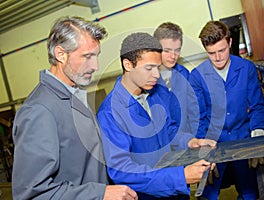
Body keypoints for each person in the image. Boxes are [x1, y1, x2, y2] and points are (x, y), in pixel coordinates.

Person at [12, 16, 137, 200]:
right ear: (60, 54)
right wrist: (100, 194)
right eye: (87, 57)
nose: (95, 66)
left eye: (96, 56)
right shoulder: (39, 110)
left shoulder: (73, 95)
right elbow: (30, 194)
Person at [96, 32, 216, 199]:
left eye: (157, 67)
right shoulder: (110, 113)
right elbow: (122, 169)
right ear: (128, 65)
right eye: (149, 68)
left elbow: (168, 131)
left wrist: (189, 141)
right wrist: (180, 177)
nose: (157, 75)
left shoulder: (154, 94)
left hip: (174, 191)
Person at [189, 20, 264, 200]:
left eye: (222, 50)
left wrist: (258, 134)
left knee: (250, 193)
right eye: (211, 53)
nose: (218, 57)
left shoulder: (246, 68)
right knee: (208, 194)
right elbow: (200, 117)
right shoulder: (196, 76)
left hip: (243, 139)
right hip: (214, 143)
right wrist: (201, 150)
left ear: (230, 43)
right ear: (205, 50)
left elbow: (257, 106)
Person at [153, 22, 198, 134]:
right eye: (167, 51)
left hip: (188, 143)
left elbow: (194, 112)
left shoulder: (185, 74)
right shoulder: (147, 81)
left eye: (177, 50)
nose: (173, 56)